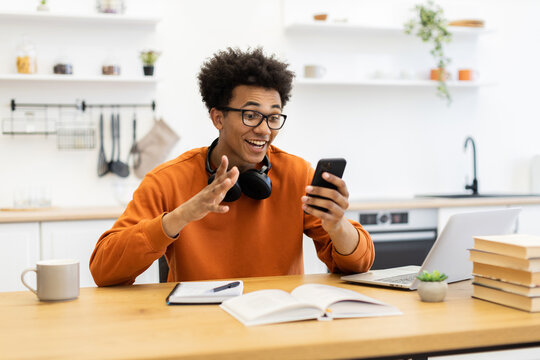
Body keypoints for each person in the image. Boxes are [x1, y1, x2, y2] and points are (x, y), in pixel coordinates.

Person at [89, 47, 374, 286]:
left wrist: (337, 227)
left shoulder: (297, 175)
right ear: (218, 118)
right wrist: (178, 217)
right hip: (199, 330)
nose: (264, 130)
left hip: (277, 327)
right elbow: (104, 270)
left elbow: (358, 265)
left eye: (273, 117)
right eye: (250, 115)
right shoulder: (168, 180)